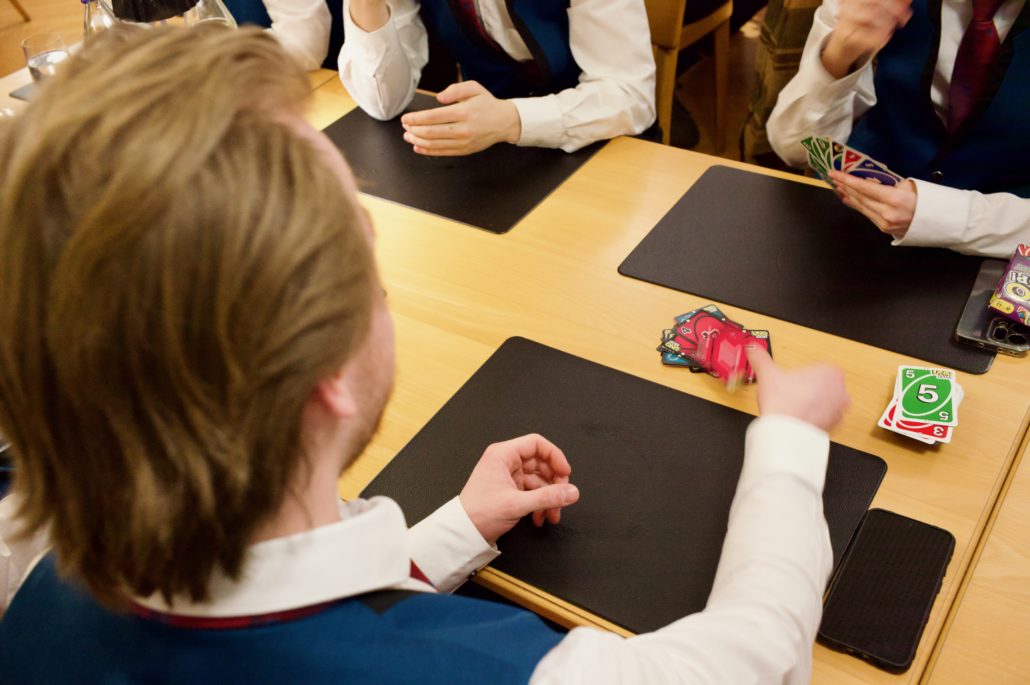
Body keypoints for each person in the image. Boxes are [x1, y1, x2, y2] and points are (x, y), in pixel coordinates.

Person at [0, 25, 850, 684]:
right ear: (327, 375)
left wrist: (451, 532)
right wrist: (788, 443)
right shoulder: (498, 670)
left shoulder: (32, 590)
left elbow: (279, 602)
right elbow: (758, 657)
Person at [766, 0, 1030, 259]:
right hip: (854, 225)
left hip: (999, 254)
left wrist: (937, 214)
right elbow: (796, 148)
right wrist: (840, 54)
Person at [338, 0, 656, 156]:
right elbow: (384, 103)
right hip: (490, 158)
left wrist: (512, 120)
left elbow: (630, 96)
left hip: (601, 143)